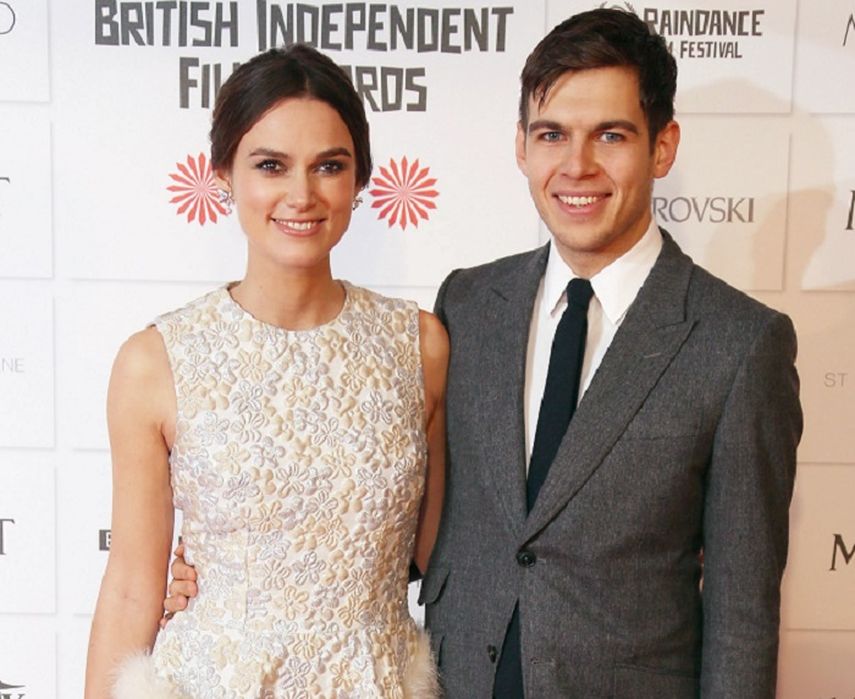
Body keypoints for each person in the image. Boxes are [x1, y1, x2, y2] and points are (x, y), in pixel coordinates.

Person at [167, 8, 802, 698]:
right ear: (521, 147)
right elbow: (407, 519)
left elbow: (743, 620)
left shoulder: (737, 344)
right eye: (551, 134)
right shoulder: (468, 307)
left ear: (662, 147)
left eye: (610, 135)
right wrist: (233, 575)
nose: (577, 165)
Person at [85, 44, 447, 699]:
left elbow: (445, 554)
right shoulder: (155, 361)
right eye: (270, 165)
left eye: (329, 166)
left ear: (360, 179)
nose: (301, 195)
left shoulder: (419, 346)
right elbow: (133, 585)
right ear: (223, 173)